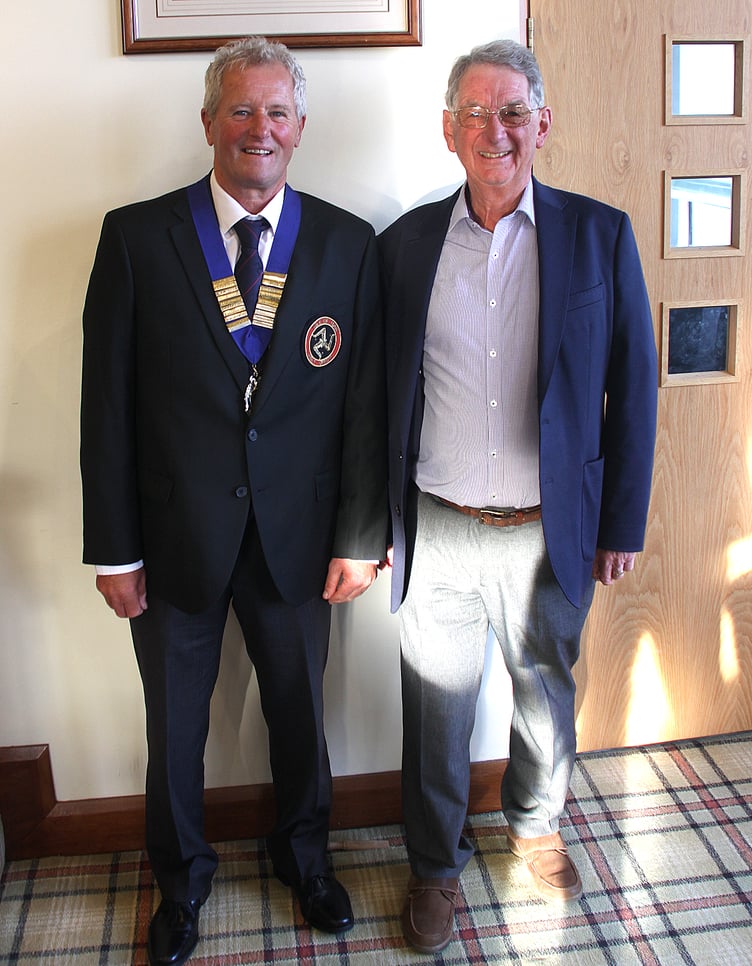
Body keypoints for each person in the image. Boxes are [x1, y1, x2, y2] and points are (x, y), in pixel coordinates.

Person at [80, 36, 387, 966]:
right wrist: (114, 550)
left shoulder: (347, 244)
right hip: (174, 536)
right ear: (209, 120)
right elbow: (106, 404)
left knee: (300, 715)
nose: (261, 128)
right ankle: (179, 884)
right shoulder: (136, 238)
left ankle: (306, 860)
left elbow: (363, 406)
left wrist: (360, 535)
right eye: (242, 109)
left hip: (301, 538)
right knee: (175, 728)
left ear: (301, 125)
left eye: (277, 111)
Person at [379, 39, 658, 954]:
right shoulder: (404, 245)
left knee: (544, 694)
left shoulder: (600, 234)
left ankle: (535, 828)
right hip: (437, 526)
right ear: (448, 129)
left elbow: (634, 387)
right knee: (436, 709)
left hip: (552, 528)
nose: (493, 130)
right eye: (475, 113)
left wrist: (621, 521)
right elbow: (378, 397)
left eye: (512, 112)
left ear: (542, 123)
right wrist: (375, 524)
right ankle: (433, 866)